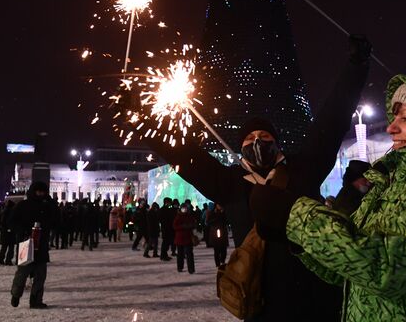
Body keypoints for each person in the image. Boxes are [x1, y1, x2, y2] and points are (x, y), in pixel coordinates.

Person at [122, 36, 371, 321]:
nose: (258, 141)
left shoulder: (304, 169)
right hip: (261, 302)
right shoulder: (230, 183)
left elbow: (332, 119)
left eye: (265, 137)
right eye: (250, 138)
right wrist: (140, 118)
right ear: (240, 147)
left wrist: (355, 67)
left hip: (316, 298)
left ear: (276, 142)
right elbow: (184, 155)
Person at [250, 72, 406, 321]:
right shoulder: (390, 181)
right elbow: (351, 270)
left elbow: (387, 270)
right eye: (394, 116)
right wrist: (299, 241)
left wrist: (297, 216)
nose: (391, 127)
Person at [10, 181, 58, 309]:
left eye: (43, 192)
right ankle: (16, 294)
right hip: (26, 244)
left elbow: (56, 220)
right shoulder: (23, 205)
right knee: (22, 273)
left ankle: (36, 300)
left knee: (40, 275)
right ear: (33, 191)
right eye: (38, 192)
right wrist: (23, 232)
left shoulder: (47, 206)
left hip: (41, 246)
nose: (40, 194)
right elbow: (12, 221)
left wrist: (52, 203)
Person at [173, 203, 196, 274]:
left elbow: (194, 224)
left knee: (189, 254)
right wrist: (183, 226)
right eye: (183, 208)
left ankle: (191, 269)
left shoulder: (189, 216)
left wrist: (189, 226)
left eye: (185, 208)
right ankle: (180, 267)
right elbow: (174, 226)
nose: (184, 209)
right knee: (180, 254)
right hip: (180, 238)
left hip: (188, 238)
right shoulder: (178, 216)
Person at [0, 200, 16, 265]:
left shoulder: (4, 211)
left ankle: (1, 259)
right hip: (10, 232)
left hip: (4, 232)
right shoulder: (11, 212)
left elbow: (2, 222)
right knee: (11, 247)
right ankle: (8, 260)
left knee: (4, 247)